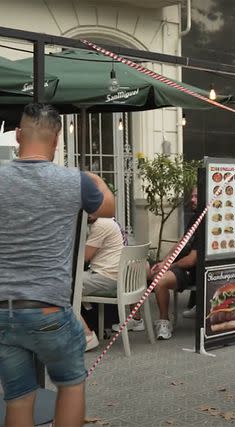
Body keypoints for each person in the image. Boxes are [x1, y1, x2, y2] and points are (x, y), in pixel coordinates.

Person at [0, 103, 115, 427]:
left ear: (20, 135)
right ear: (57, 138)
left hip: (3, 312)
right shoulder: (73, 181)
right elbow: (109, 208)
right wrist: (96, 180)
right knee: (71, 385)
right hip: (49, 311)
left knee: (19, 398)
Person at [80, 215, 143, 352]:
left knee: (60, 289)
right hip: (115, 276)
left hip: (106, 277)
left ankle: (86, 336)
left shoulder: (101, 224)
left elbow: (83, 258)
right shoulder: (111, 221)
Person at [150, 186, 199, 340]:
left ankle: (164, 322)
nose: (191, 199)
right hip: (184, 266)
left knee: (160, 280)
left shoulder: (210, 222)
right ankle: (142, 319)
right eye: (192, 196)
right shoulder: (195, 218)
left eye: (196, 197)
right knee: (153, 271)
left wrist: (169, 266)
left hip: (196, 271)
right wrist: (164, 261)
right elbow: (182, 243)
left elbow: (192, 259)